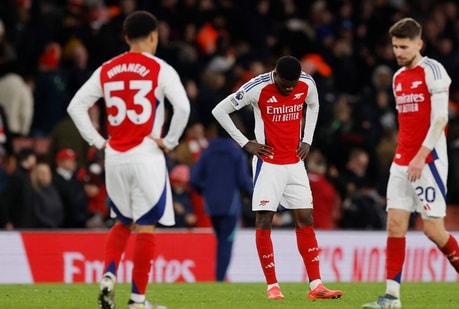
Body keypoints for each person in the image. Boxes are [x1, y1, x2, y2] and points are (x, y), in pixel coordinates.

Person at [66, 10, 190, 309]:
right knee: (146, 227)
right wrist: (169, 143)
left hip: (115, 157)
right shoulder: (161, 68)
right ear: (153, 37)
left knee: (123, 222)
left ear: (125, 38)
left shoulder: (107, 69)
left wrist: (98, 142)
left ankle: (108, 275)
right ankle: (136, 300)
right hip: (146, 155)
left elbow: (75, 107)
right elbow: (183, 108)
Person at [362, 18, 459, 309]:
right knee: (395, 225)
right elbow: (409, 122)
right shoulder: (397, 77)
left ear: (419, 44)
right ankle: (391, 297)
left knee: (433, 231)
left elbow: (440, 119)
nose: (398, 52)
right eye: (394, 46)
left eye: (404, 46)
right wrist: (405, 156)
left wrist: (421, 155)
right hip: (402, 162)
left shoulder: (433, 70)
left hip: (429, 161)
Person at [211, 55, 343, 300]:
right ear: (276, 74)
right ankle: (272, 286)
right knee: (264, 220)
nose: (289, 89)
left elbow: (313, 105)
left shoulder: (307, 83)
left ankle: (316, 285)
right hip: (268, 163)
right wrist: (245, 143)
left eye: (292, 86)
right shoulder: (257, 87)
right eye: (284, 85)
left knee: (305, 217)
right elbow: (219, 110)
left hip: (294, 163)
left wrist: (307, 139)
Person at [189, 121, 253, 282]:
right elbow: (243, 181)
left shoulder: (207, 152)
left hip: (211, 205)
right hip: (230, 205)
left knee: (220, 239)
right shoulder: (236, 153)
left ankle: (220, 276)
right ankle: (220, 278)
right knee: (226, 241)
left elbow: (194, 179)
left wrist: (205, 192)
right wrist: (258, 197)